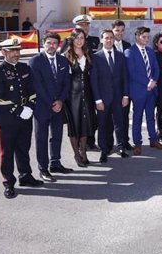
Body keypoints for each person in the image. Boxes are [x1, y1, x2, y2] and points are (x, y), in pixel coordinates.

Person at [0, 39, 43, 199]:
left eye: (18, 50)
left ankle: (25, 176)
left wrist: (30, 107)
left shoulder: (24, 68)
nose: (16, 54)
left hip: (25, 116)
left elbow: (32, 90)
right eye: (12, 51)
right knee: (7, 152)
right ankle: (8, 182)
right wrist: (19, 110)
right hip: (7, 119)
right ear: (3, 52)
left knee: (23, 148)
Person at [29, 33, 72, 182]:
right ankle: (43, 169)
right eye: (48, 43)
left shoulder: (63, 61)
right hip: (42, 107)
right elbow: (37, 86)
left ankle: (55, 163)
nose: (51, 45)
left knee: (57, 136)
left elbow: (67, 83)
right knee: (41, 138)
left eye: (54, 43)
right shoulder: (35, 61)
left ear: (58, 45)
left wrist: (60, 101)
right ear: (43, 43)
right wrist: (52, 103)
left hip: (59, 107)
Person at [125, 26, 162, 154]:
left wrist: (153, 81)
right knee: (137, 118)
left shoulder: (150, 51)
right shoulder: (130, 52)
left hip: (151, 90)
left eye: (148, 37)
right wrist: (148, 82)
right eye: (144, 37)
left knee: (150, 117)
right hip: (138, 91)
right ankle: (137, 143)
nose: (146, 39)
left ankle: (153, 140)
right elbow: (133, 73)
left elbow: (156, 69)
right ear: (137, 36)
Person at [91, 29, 129, 161]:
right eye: (106, 38)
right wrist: (97, 100)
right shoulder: (96, 57)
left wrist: (125, 96)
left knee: (120, 123)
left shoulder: (120, 56)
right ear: (102, 40)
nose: (109, 40)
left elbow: (125, 77)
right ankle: (103, 150)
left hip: (118, 98)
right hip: (103, 99)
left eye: (111, 38)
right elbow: (94, 80)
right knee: (102, 125)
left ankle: (121, 147)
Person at [62, 28, 98, 167]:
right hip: (72, 95)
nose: (79, 40)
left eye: (82, 38)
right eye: (76, 38)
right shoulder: (66, 55)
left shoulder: (88, 54)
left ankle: (83, 151)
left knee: (86, 123)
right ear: (72, 39)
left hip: (87, 93)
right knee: (74, 125)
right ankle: (76, 154)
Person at [110, 19, 132, 151]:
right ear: (112, 31)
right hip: (111, 89)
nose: (120, 33)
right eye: (117, 30)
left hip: (124, 88)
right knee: (111, 119)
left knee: (124, 116)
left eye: (122, 30)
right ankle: (110, 143)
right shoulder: (106, 45)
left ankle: (124, 141)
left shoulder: (127, 45)